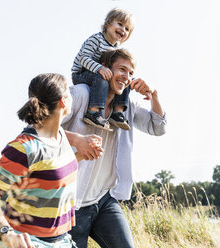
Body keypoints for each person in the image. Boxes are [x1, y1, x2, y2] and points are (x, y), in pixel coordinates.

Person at [62, 48, 167, 248]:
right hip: (68, 204)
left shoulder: (125, 106)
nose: (126, 77)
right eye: (121, 69)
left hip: (103, 200)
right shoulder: (80, 94)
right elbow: (39, 130)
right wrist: (76, 140)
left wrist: (154, 95)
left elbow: (158, 127)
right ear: (105, 69)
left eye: (130, 72)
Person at [0, 73, 92, 248]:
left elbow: (48, 173)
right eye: (70, 93)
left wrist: (82, 154)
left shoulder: (60, 135)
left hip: (62, 240)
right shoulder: (24, 148)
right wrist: (6, 234)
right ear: (63, 101)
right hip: (28, 242)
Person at [71, 8, 134, 131]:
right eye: (120, 24)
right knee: (102, 79)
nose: (123, 29)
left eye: (127, 29)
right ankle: (93, 112)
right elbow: (84, 58)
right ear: (108, 24)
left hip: (99, 73)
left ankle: (117, 112)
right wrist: (99, 68)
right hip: (81, 73)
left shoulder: (116, 48)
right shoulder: (96, 39)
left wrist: (130, 78)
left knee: (124, 81)